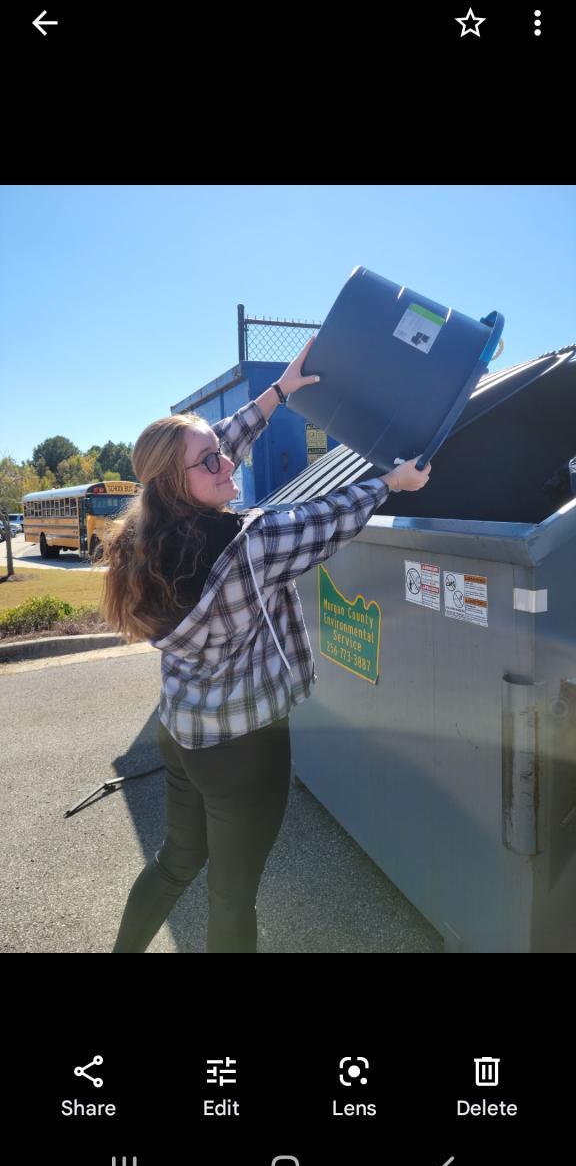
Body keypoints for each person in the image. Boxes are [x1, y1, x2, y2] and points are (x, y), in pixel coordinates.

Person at [101, 337, 431, 953]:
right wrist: (392, 482)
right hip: (244, 747)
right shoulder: (248, 545)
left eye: (222, 451)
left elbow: (207, 448)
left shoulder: (150, 531)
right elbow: (327, 518)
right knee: (232, 896)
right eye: (212, 462)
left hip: (183, 731)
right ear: (177, 483)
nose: (228, 462)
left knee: (177, 861)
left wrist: (279, 392)